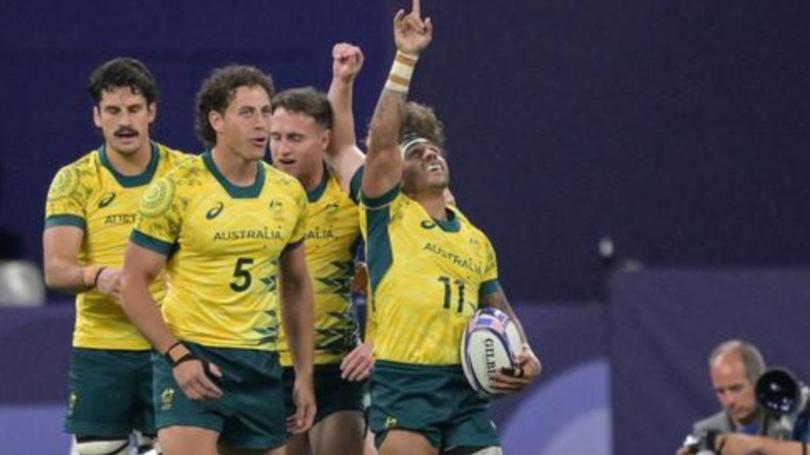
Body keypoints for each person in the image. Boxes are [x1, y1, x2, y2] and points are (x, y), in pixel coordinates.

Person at [350, 2, 542, 454]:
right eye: (416, 153)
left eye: (434, 150)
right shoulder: (387, 214)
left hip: (463, 389)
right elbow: (379, 146)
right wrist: (406, 58)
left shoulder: (475, 239)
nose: (431, 155)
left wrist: (526, 353)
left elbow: (497, 305)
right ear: (397, 169)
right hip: (405, 382)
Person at [119, 65, 316, 455]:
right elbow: (132, 282)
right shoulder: (178, 188)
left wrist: (304, 374)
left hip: (260, 364)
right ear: (217, 121)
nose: (261, 125)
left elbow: (296, 285)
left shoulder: (287, 193)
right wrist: (177, 356)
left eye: (266, 112)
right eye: (247, 113)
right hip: (196, 355)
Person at [43, 57, 188, 455]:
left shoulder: (186, 174)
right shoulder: (75, 179)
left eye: (134, 109)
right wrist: (97, 276)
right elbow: (56, 270)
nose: (124, 121)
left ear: (151, 112)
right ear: (96, 116)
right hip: (102, 350)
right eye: (113, 111)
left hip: (172, 343)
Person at [268, 85, 373, 455]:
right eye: (275, 137)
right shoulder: (253, 198)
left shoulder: (348, 200)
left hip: (336, 368)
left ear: (324, 139)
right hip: (266, 366)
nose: (282, 149)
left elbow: (392, 273)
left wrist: (378, 340)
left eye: (295, 138)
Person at [676, 339, 810, 455]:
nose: (729, 401)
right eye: (720, 391)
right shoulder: (707, 431)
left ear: (758, 381)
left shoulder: (795, 409)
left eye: (736, 389)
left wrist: (757, 445)